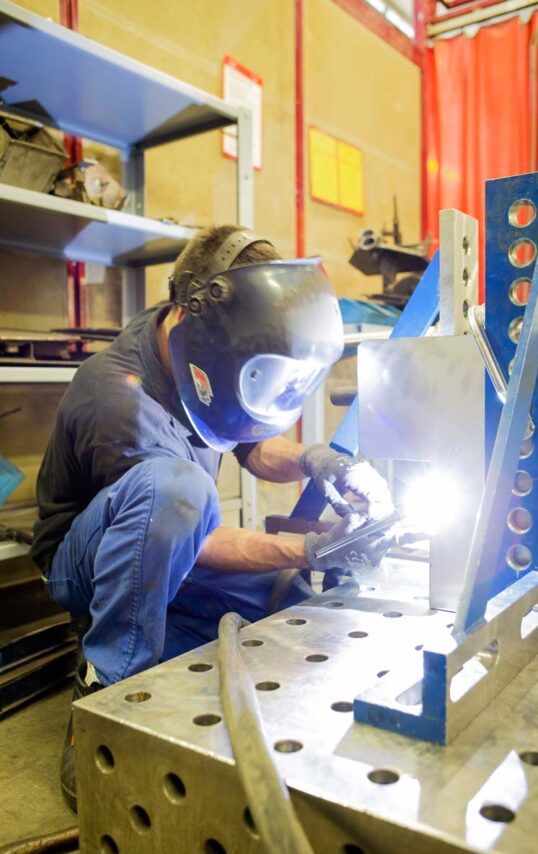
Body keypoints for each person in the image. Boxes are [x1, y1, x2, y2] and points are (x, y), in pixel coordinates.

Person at [30, 226, 395, 810]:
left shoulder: (196, 336)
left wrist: (319, 460)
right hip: (84, 564)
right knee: (180, 487)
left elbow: (249, 443)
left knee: (294, 601)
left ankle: (171, 631)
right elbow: (186, 527)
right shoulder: (118, 396)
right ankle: (105, 687)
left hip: (166, 538)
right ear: (191, 314)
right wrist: (309, 547)